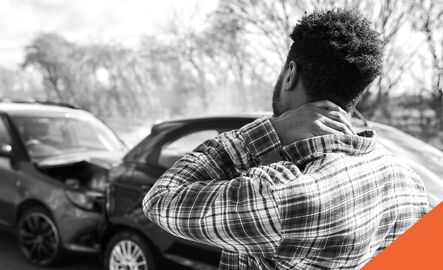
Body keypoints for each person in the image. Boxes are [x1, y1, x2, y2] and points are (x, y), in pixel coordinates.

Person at [143, 9, 429, 269]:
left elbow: (161, 199)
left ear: (290, 74)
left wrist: (272, 130)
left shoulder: (279, 196)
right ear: (358, 90)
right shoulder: (408, 183)